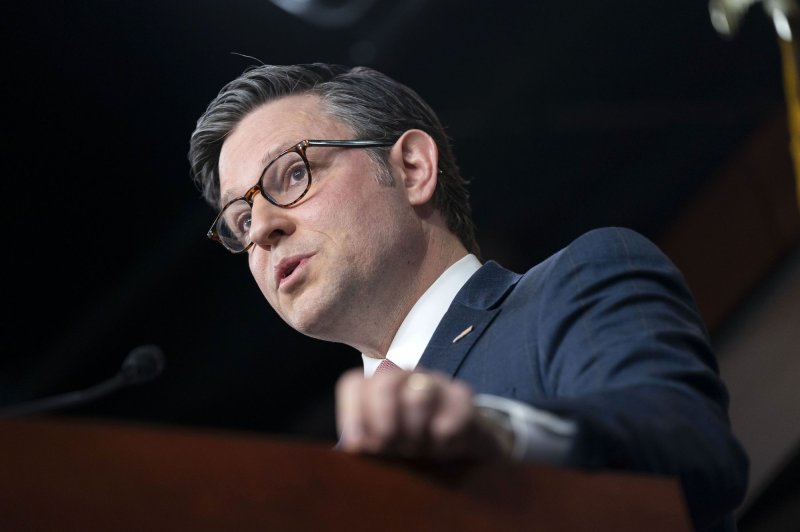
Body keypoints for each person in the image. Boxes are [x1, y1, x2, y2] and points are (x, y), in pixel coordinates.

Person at [188, 63, 747, 531]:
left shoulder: (575, 283)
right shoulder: (330, 485)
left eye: (292, 174)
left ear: (411, 168)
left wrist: (498, 437)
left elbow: (693, 458)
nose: (261, 228)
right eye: (239, 220)